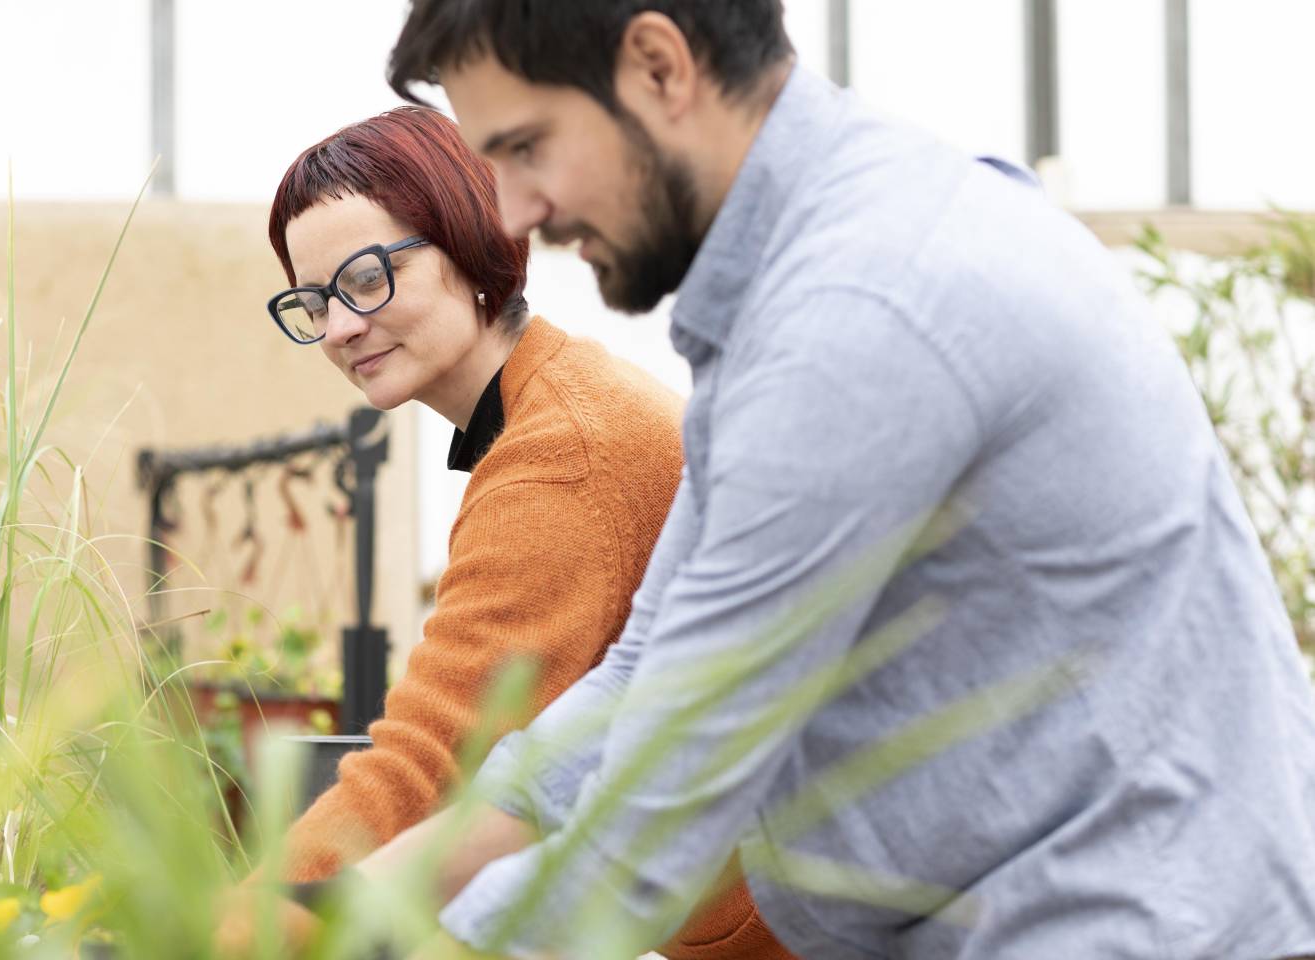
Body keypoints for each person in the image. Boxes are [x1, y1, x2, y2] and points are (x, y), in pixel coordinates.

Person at [356, 3, 1315, 959]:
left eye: (527, 149)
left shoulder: (864, 307)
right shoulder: (824, 256)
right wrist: (353, 898)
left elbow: (660, 815)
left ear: (659, 66)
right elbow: (647, 679)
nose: (517, 210)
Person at [219, 106, 795, 960]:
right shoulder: (562, 399)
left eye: (367, 278)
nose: (340, 326)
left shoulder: (560, 456)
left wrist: (235, 924)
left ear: (469, 242)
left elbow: (434, 758)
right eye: (313, 301)